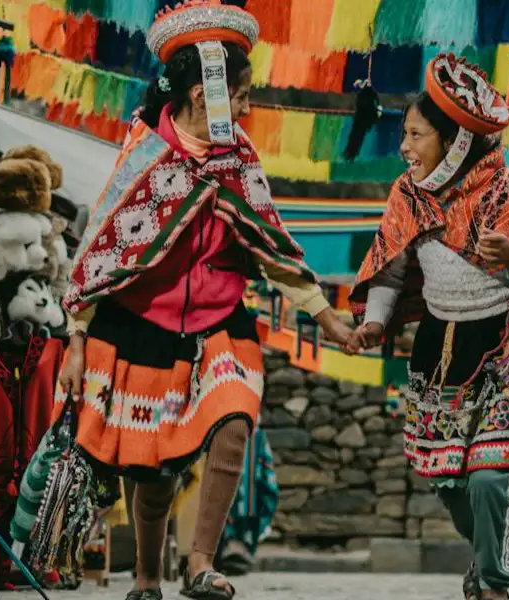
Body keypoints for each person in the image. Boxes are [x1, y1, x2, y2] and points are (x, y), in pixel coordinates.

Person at [56, 3, 353, 598]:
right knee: (153, 470)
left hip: (220, 319)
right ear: (204, 93)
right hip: (142, 324)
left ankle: (200, 563)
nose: (246, 109)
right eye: (241, 96)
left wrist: (326, 316)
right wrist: (77, 339)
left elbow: (271, 244)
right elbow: (102, 252)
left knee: (236, 417)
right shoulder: (144, 157)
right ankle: (146, 577)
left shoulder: (238, 159)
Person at [348, 53, 509, 600]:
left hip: (501, 347)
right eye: (404, 134)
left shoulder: (502, 194)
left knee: (490, 476)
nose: (404, 146)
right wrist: (376, 322)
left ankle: (494, 584)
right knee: (449, 481)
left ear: (454, 142)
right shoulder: (406, 196)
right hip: (439, 354)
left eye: (416, 135)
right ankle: (492, 551)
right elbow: (389, 266)